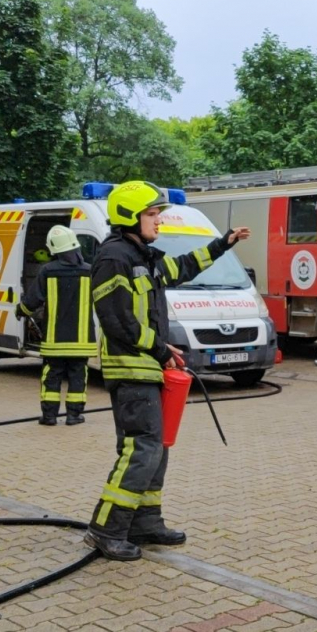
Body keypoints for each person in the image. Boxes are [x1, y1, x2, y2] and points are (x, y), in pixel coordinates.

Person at [84, 181, 249, 561]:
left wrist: (223, 243)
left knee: (157, 449)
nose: (159, 221)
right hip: (131, 370)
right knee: (140, 449)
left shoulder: (143, 256)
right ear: (129, 216)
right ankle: (105, 529)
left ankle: (145, 523)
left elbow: (183, 267)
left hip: (148, 369)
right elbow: (117, 320)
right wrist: (162, 349)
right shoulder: (114, 258)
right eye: (153, 214)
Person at [16, 225, 97, 426]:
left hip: (55, 340)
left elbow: (32, 301)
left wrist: (21, 311)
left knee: (51, 377)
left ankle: (50, 416)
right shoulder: (89, 271)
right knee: (78, 376)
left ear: (54, 249)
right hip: (81, 341)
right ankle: (74, 416)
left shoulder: (47, 271)